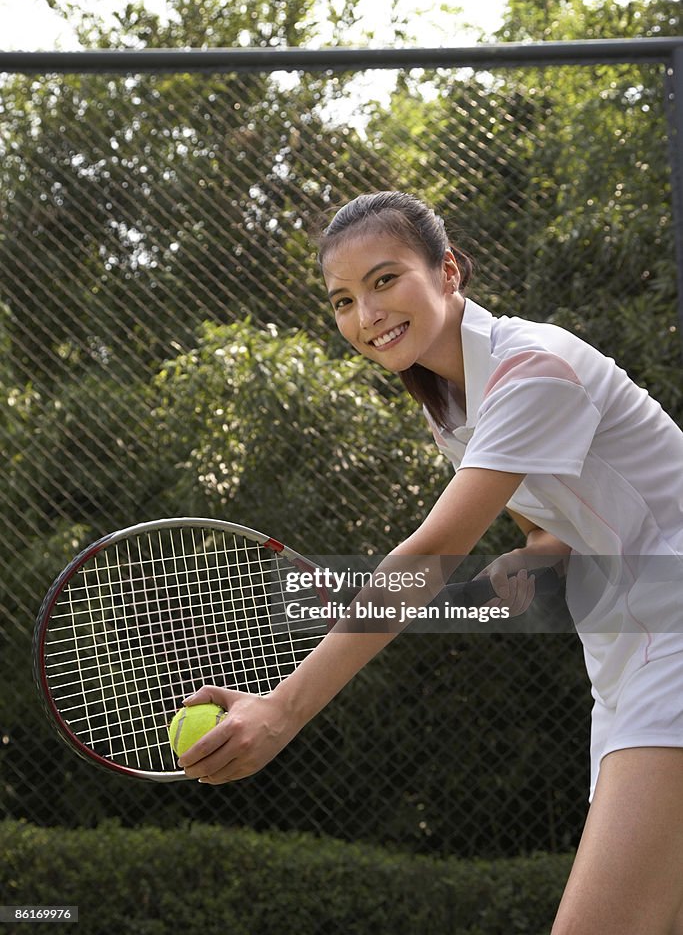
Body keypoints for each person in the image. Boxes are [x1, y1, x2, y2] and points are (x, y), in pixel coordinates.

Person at [179, 191, 683, 935]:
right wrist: (532, 555)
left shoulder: (531, 368)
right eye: (343, 300)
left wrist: (281, 712)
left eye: (384, 280)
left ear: (447, 272)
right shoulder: (450, 404)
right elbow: (551, 524)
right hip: (627, 657)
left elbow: (431, 553)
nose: (365, 314)